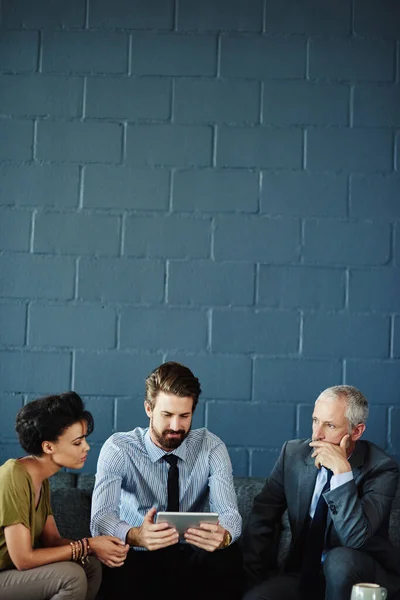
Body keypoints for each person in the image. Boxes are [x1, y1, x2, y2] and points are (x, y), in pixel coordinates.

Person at [91, 361, 243, 600]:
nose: (175, 426)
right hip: (138, 555)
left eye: (184, 416)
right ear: (148, 409)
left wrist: (223, 536)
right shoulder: (119, 448)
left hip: (191, 555)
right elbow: (101, 519)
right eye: (167, 415)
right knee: (116, 563)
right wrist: (135, 535)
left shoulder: (212, 447)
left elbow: (229, 514)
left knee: (229, 555)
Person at [242, 385, 400, 600]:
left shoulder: (382, 468)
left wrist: (342, 473)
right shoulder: (294, 454)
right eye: (315, 420)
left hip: (358, 575)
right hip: (302, 575)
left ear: (356, 431)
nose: (317, 435)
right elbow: (262, 517)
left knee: (339, 561)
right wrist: (256, 580)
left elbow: (355, 539)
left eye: (330, 425)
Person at [0, 392, 129, 600]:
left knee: (90, 565)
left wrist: (93, 549)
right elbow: (23, 559)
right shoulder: (13, 475)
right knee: (71, 576)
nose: (86, 447)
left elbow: (52, 540)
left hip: (10, 574)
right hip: (5, 574)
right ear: (48, 446)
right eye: (77, 443)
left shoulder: (41, 479)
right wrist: (89, 545)